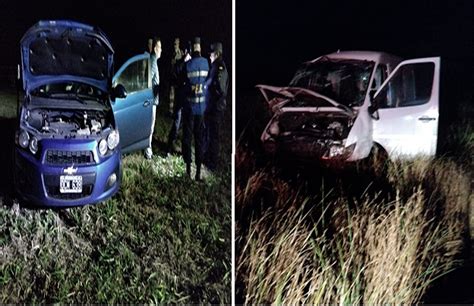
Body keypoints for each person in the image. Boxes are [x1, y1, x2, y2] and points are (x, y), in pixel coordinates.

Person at [182, 37, 209, 180]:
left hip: (190, 108)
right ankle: (198, 171)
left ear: (192, 49)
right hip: (202, 109)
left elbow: (183, 83)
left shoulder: (188, 64)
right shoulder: (206, 63)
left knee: (187, 138)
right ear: (200, 48)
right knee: (199, 139)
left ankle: (187, 169)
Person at [204, 42, 229, 171]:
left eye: (212, 54)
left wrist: (212, 96)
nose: (210, 56)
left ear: (217, 54)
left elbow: (220, 90)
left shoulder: (220, 68)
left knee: (213, 136)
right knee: (208, 134)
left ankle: (212, 163)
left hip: (216, 109)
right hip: (211, 108)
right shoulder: (214, 66)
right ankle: (207, 157)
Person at [167, 40, 191, 153]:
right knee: (177, 123)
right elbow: (175, 71)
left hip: (188, 100)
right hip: (180, 98)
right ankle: (169, 146)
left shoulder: (193, 63)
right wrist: (183, 61)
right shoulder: (181, 62)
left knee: (185, 127)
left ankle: (182, 148)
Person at [145, 37, 162, 159]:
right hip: (151, 101)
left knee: (151, 126)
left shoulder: (154, 60)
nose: (161, 50)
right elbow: (149, 81)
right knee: (149, 127)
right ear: (156, 48)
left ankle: (147, 149)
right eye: (160, 47)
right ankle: (148, 151)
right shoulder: (152, 60)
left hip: (153, 100)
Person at [169, 37, 184, 115]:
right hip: (173, 75)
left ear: (178, 44)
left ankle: (176, 110)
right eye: (174, 43)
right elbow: (171, 64)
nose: (175, 45)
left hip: (178, 77)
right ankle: (170, 111)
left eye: (176, 43)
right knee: (172, 94)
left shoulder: (181, 52)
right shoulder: (172, 53)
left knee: (178, 94)